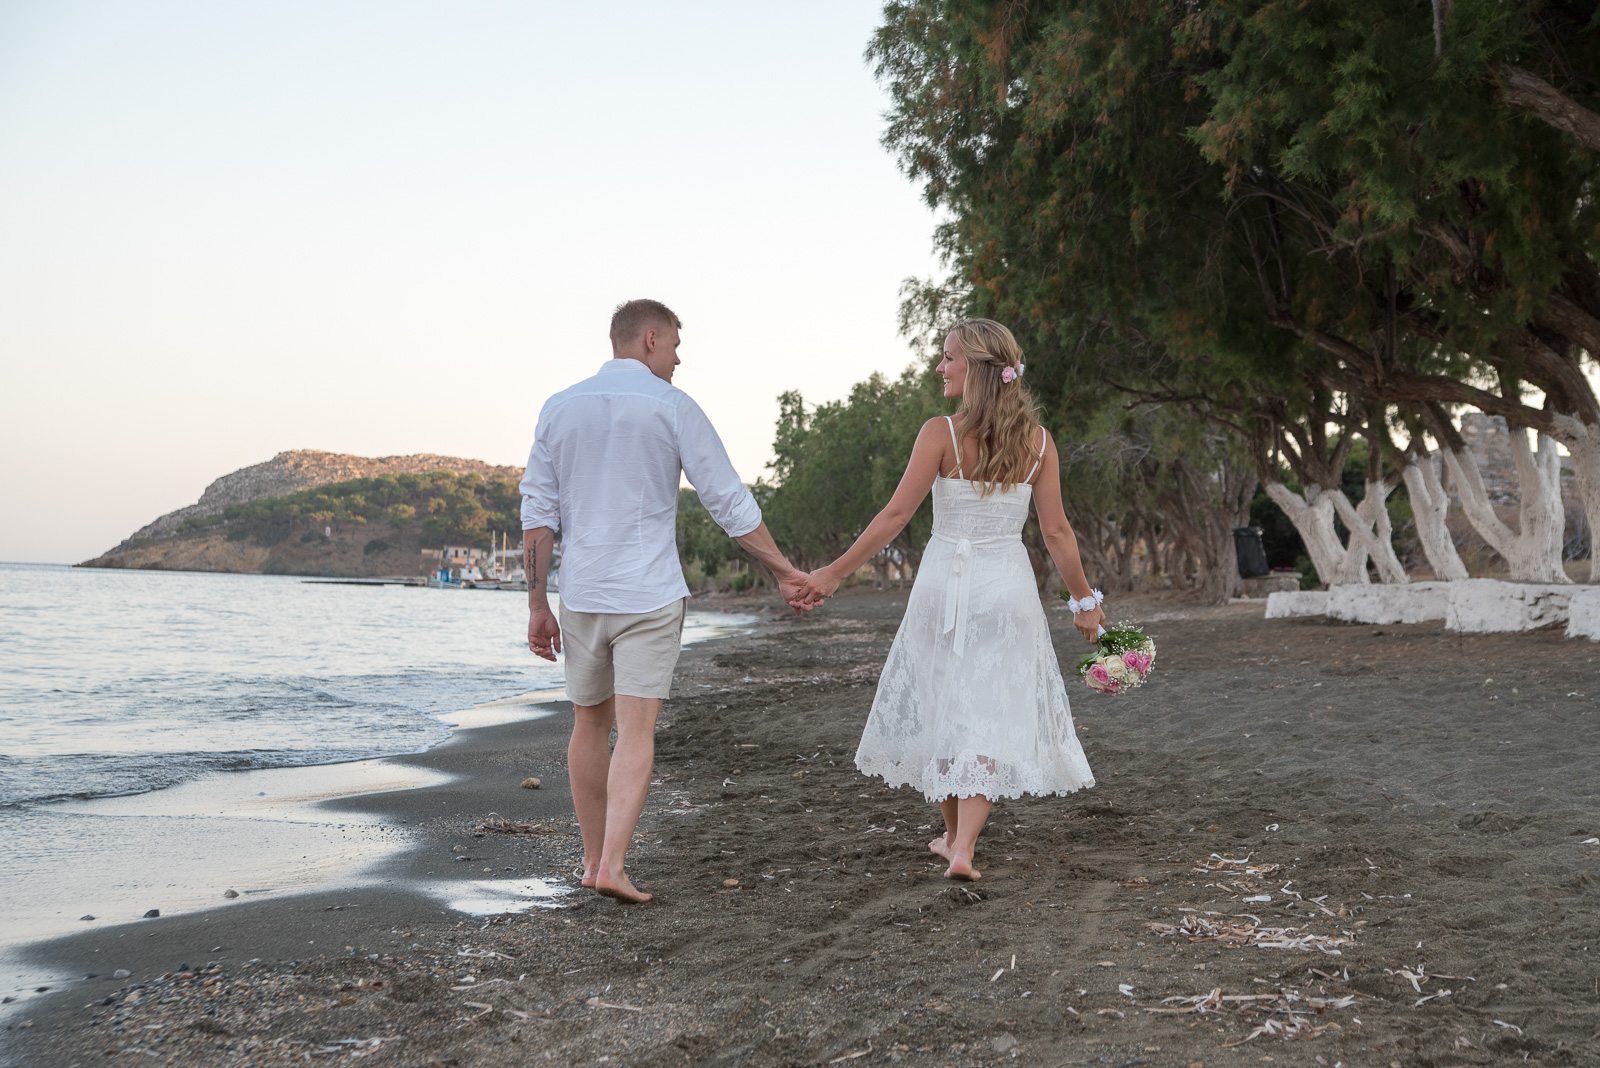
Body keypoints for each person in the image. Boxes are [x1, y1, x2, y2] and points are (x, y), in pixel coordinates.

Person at [520, 299, 816, 903]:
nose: (678, 360)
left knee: (588, 722)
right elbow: (728, 500)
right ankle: (613, 865)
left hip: (582, 593)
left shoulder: (558, 408)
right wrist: (784, 570)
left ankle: (589, 860)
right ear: (650, 339)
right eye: (676, 346)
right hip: (649, 595)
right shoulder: (672, 406)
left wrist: (536, 604)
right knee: (635, 730)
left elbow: (537, 518)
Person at [799, 319, 1105, 880]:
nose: (940, 367)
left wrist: (834, 573)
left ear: (979, 369)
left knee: (944, 712)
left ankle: (956, 840)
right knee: (985, 718)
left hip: (944, 590)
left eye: (948, 358)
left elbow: (895, 516)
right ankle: (959, 844)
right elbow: (1058, 533)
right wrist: (1085, 603)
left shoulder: (939, 433)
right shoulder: (1038, 442)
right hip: (1007, 591)